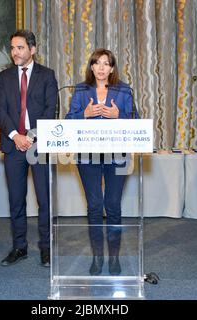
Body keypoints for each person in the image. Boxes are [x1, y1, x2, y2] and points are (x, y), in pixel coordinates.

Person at [65, 49, 135, 276]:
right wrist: (83, 114)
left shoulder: (124, 90)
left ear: (112, 68)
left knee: (113, 207)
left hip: (117, 157)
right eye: (98, 63)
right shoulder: (81, 90)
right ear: (92, 67)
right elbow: (68, 121)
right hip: (88, 157)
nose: (102, 68)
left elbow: (136, 122)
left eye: (107, 64)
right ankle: (97, 258)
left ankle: (114, 258)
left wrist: (119, 116)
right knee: (95, 207)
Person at [0, 30, 58, 267]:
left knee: (44, 200)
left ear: (32, 49)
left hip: (39, 145)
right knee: (16, 200)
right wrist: (15, 136)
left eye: (20, 47)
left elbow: (50, 109)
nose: (15, 52)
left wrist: (30, 136)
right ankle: (19, 247)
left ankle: (46, 249)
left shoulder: (47, 75)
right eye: (12, 47)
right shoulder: (4, 76)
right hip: (13, 147)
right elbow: (1, 111)